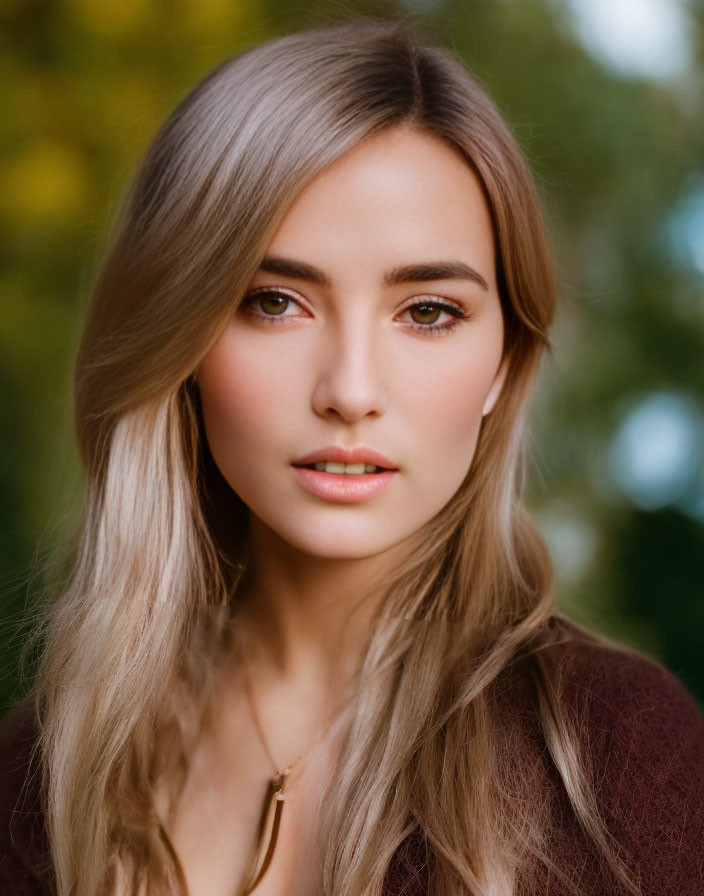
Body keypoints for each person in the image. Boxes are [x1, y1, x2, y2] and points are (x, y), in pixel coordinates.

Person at [1, 16, 702, 896]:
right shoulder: (40, 773)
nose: (350, 388)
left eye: (429, 312)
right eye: (275, 301)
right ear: (180, 337)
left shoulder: (620, 770)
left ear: (504, 365)